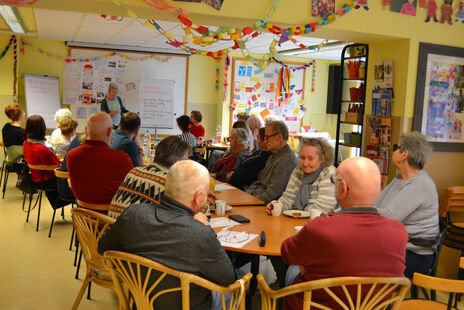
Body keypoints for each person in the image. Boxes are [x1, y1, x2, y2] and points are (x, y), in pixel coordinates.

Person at [99, 160, 236, 310]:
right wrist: (207, 228)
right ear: (198, 197)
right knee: (237, 282)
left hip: (138, 302)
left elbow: (103, 248)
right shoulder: (200, 233)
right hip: (187, 305)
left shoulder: (133, 214)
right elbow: (228, 279)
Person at [282, 157, 408, 310]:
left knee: (292, 270)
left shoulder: (319, 228)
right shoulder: (399, 232)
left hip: (315, 306)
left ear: (343, 188)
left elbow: (287, 254)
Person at [375, 132, 439, 277]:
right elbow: (377, 202)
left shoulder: (420, 184)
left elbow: (390, 217)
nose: (394, 151)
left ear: (404, 154)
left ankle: (377, 299)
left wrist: (360, 209)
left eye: (396, 148)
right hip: (397, 247)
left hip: (416, 254)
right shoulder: (400, 178)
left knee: (364, 261)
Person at [109, 136, 192, 218]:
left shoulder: (134, 171)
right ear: (177, 163)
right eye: (188, 158)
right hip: (133, 230)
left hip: (109, 227)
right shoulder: (169, 183)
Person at [67, 112, 133, 210]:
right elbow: (133, 189)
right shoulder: (122, 158)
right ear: (110, 131)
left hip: (83, 219)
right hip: (112, 220)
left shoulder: (72, 155)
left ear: (86, 129)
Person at [266, 138, 337, 214]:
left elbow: (322, 210)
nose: (305, 163)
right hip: (302, 220)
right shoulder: (298, 170)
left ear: (322, 158)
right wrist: (277, 206)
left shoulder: (329, 174)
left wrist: (298, 212)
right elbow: (288, 198)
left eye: (310, 158)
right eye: (302, 157)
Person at [246, 121, 298, 204]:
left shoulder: (285, 161)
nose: (265, 141)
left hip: (265, 206)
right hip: (255, 198)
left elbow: (272, 195)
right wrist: (246, 196)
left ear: (279, 137)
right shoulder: (273, 155)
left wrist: (250, 200)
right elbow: (259, 182)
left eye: (267, 137)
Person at [22, 115, 67, 209]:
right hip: (48, 180)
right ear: (42, 128)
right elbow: (55, 168)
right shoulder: (42, 149)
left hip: (35, 178)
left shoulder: (26, 143)